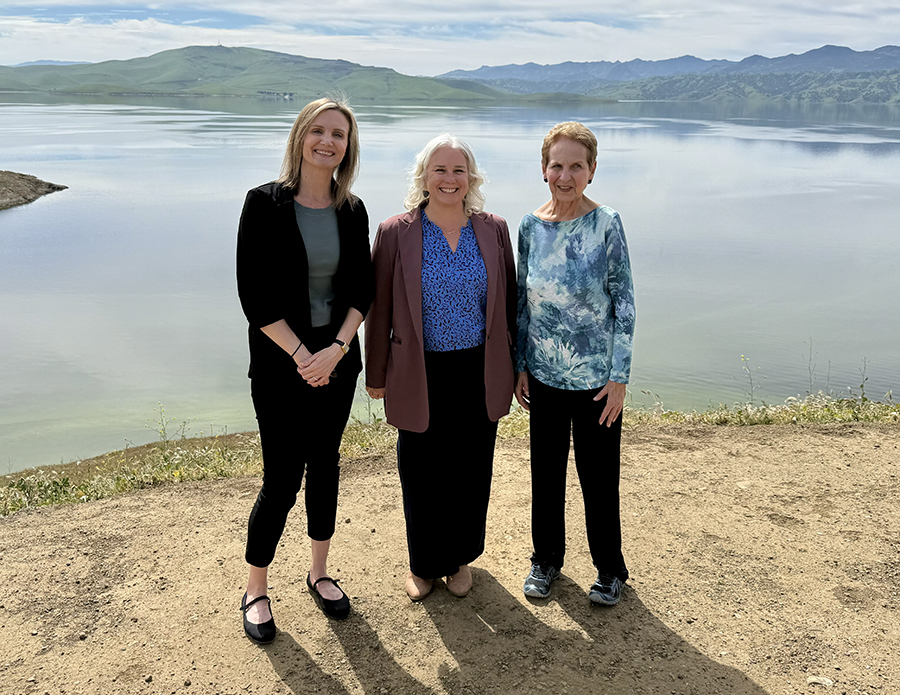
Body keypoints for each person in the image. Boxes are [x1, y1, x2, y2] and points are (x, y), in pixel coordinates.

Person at [236, 97, 374, 642]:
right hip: (279, 365)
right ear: (300, 137)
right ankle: (255, 588)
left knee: (326, 465)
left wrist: (337, 349)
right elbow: (255, 295)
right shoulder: (263, 204)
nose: (327, 141)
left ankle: (318, 573)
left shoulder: (352, 209)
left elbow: (363, 288)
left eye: (338, 134)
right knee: (280, 479)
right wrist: (301, 356)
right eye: (318, 131)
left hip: (338, 362)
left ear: (348, 146)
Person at [365, 134, 516, 601]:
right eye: (440, 170)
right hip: (418, 371)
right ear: (424, 177)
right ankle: (424, 563)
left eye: (458, 170)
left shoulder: (493, 229)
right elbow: (380, 308)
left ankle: (460, 559)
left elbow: (508, 306)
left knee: (471, 470)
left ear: (471, 178)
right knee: (422, 470)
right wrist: (376, 374)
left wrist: (516, 367)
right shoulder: (396, 232)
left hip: (479, 369)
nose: (449, 179)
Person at [514, 121, 635, 606]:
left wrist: (620, 376)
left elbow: (623, 301)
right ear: (544, 169)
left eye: (576, 166)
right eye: (557, 165)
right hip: (543, 375)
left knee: (598, 477)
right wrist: (521, 362)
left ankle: (610, 569)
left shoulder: (607, 222)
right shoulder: (528, 226)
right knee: (545, 474)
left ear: (592, 170)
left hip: (596, 383)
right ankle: (546, 561)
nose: (565, 175)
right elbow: (522, 302)